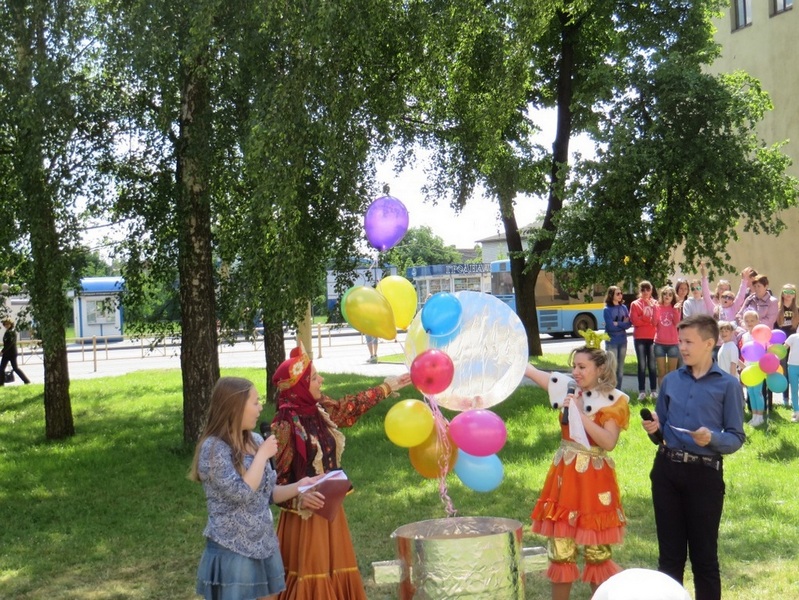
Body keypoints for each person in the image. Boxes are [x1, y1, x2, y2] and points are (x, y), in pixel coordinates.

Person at [270, 346, 411, 599]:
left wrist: (387, 387)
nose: (321, 380)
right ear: (299, 386)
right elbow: (275, 483)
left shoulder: (318, 409)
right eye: (314, 377)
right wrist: (300, 499)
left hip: (330, 510)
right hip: (305, 517)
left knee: (335, 569)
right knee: (313, 575)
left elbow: (349, 408)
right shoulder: (284, 425)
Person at [641, 315, 745, 600]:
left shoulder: (728, 385)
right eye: (680, 341)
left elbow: (736, 437)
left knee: (704, 559)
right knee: (669, 558)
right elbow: (661, 432)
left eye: (689, 342)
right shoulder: (671, 380)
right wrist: (654, 428)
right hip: (666, 471)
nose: (682, 348)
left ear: (709, 343)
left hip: (704, 476)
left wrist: (712, 438)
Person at [191, 376, 321, 600]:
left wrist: (300, 486)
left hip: (265, 545)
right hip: (232, 550)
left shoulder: (256, 440)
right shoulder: (213, 449)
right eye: (255, 402)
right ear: (235, 407)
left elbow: (267, 494)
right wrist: (261, 456)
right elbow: (241, 493)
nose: (261, 407)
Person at [525, 344, 629, 600]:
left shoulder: (613, 400)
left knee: (597, 551)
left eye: (582, 367)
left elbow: (608, 442)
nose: (576, 372)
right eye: (574, 366)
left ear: (600, 369)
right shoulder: (568, 388)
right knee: (561, 549)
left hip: (594, 480)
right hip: (566, 477)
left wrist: (580, 415)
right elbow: (531, 371)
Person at [630, 281, 658, 401]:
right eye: (643, 290)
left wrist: (644, 316)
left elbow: (655, 321)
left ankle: (653, 391)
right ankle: (641, 391)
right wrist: (646, 318)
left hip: (652, 337)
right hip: (639, 337)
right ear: (640, 291)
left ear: (651, 290)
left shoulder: (655, 303)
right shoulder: (635, 304)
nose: (645, 292)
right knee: (642, 365)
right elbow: (635, 321)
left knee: (652, 365)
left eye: (648, 289)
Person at [739, 310, 766, 426]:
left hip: (758, 367)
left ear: (757, 321)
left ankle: (760, 417)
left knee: (757, 392)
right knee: (750, 392)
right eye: (747, 321)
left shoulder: (760, 335)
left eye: (752, 320)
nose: (749, 323)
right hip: (747, 367)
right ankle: (754, 416)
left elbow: (764, 350)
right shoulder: (744, 336)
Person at [774, 284, 798, 408]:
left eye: (791, 292)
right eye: (786, 291)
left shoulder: (797, 310)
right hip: (781, 345)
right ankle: (785, 398)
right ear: (782, 293)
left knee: (794, 371)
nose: (788, 294)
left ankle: (795, 399)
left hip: (795, 345)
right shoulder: (776, 309)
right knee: (784, 371)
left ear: (795, 295)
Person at [654, 286, 681, 392]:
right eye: (665, 294)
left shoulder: (675, 307)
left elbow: (677, 323)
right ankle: (662, 395)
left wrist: (675, 310)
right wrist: (654, 309)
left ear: (673, 297)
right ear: (662, 295)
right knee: (661, 372)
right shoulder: (657, 307)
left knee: (671, 373)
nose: (667, 296)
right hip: (659, 344)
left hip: (673, 344)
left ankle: (671, 394)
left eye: (670, 294)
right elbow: (654, 323)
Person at [603, 286, 631, 388]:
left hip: (623, 341)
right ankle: (611, 389)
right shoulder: (607, 309)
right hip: (611, 342)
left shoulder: (624, 308)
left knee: (620, 368)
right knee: (612, 367)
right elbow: (610, 327)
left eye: (621, 293)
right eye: (617, 294)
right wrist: (622, 324)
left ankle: (619, 390)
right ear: (611, 295)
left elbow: (628, 324)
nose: (620, 295)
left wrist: (617, 323)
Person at [1, 319, 31, 386]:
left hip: (12, 353)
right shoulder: (7, 332)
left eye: (8, 324)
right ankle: (1, 384)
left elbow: (10, 343)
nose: (6, 325)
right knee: (1, 368)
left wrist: (2, 351)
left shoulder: (12, 332)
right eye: (5, 324)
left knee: (15, 368)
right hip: (6, 353)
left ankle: (26, 381)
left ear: (11, 324)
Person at [783, 329, 799, 422]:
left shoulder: (793, 336)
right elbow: (783, 348)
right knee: (794, 389)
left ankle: (797, 411)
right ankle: (796, 411)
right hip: (792, 366)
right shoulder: (793, 337)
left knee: (794, 390)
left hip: (792, 366)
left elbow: (783, 348)